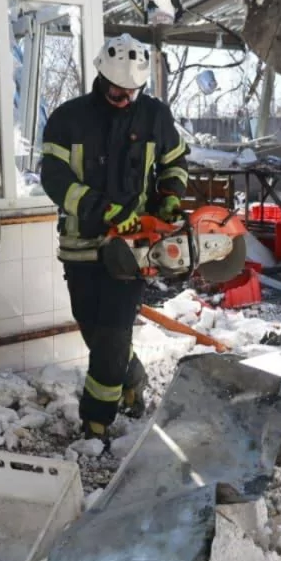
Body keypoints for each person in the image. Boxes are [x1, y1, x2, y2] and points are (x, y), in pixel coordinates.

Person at [38, 34, 189, 442]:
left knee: (112, 335)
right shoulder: (68, 118)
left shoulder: (154, 116)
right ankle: (132, 375)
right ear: (100, 77)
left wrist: (171, 199)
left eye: (132, 92)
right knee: (92, 327)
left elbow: (174, 164)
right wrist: (103, 211)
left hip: (133, 249)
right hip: (81, 246)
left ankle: (96, 422)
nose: (124, 98)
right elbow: (54, 178)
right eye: (116, 91)